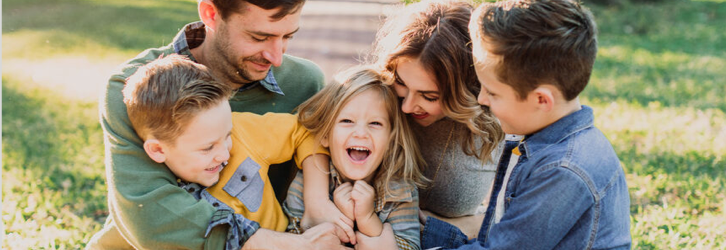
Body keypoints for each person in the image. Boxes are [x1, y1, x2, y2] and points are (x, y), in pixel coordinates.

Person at [89, 0, 347, 249]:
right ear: (211, 13)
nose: (276, 58)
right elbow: (150, 214)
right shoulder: (132, 90)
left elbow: (315, 140)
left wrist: (317, 200)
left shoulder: (304, 83)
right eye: (258, 37)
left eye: (288, 37)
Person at [420, 0, 632, 248]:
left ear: (541, 99)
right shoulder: (544, 140)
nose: (481, 99)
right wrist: (425, 232)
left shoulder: (562, 170)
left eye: (492, 92)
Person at [367, 0, 505, 238]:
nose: (408, 107)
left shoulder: (499, 119)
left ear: (468, 89)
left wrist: (467, 226)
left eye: (429, 96)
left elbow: (520, 217)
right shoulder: (372, 101)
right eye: (401, 83)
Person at [282, 66, 428, 250]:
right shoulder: (307, 184)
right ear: (325, 135)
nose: (360, 133)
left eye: (375, 123)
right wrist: (341, 220)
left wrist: (367, 219)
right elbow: (293, 239)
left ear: (391, 139)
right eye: (347, 121)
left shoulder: (400, 191)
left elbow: (410, 246)